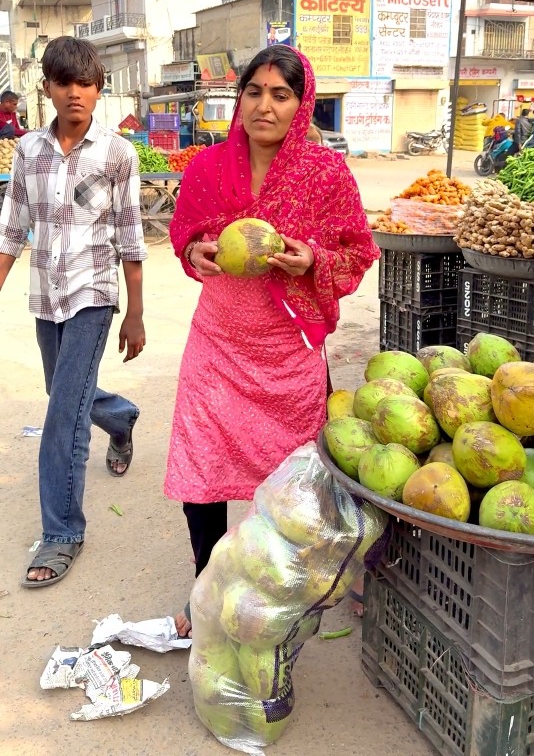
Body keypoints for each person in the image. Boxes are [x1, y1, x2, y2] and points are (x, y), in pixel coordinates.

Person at [166, 44, 379, 636]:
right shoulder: (207, 168)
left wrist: (311, 259)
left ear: (300, 103)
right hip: (219, 340)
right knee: (201, 465)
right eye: (254, 92)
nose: (265, 105)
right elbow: (185, 233)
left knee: (295, 476)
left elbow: (357, 251)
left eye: (280, 95)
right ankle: (205, 586)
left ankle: (287, 587)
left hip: (288, 347)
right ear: (239, 100)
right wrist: (195, 251)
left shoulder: (325, 173)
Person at [0, 36, 147, 588]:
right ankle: (121, 417)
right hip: (46, 295)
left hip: (94, 295)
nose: (75, 93)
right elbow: (12, 228)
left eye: (85, 84)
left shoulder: (118, 154)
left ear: (99, 89)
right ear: (48, 89)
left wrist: (134, 313)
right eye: (64, 83)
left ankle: (62, 532)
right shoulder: (28, 151)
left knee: (63, 413)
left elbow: (131, 236)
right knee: (60, 389)